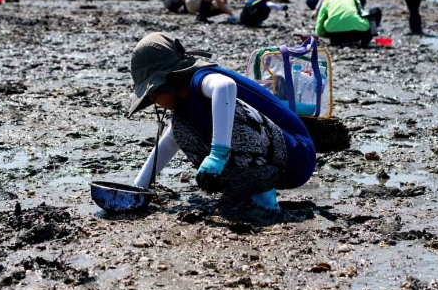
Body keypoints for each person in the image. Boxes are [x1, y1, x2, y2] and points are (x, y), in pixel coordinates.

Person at [127, 33, 316, 213]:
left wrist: (217, 154)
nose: (155, 101)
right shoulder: (184, 109)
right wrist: (139, 187)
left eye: (153, 94)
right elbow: (168, 143)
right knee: (179, 128)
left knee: (228, 112)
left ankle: (261, 196)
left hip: (296, 155)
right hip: (275, 160)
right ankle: (246, 188)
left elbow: (225, 86)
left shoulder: (200, 78)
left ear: (167, 81)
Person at [315, 0, 382, 47]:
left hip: (335, 34)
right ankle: (364, 43)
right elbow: (362, 12)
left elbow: (320, 21)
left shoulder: (327, 0)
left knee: (329, 19)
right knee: (376, 11)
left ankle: (337, 42)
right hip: (356, 33)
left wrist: (323, 34)